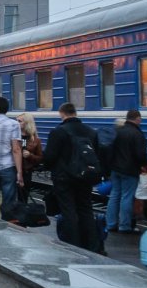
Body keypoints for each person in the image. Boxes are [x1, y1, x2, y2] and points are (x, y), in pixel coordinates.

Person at [42, 103, 102, 253]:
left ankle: (72, 245)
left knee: (68, 211)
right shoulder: (90, 132)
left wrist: (48, 166)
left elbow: (49, 157)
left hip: (64, 178)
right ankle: (92, 244)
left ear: (61, 113)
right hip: (85, 177)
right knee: (86, 209)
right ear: (75, 112)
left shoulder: (58, 132)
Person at [106, 109, 147, 234]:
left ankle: (111, 224)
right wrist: (144, 165)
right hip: (130, 170)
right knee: (127, 197)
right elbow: (140, 154)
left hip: (116, 169)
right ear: (137, 119)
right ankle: (124, 226)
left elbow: (110, 150)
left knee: (114, 196)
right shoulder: (137, 134)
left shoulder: (118, 132)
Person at [16, 112, 43, 202]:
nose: (16, 123)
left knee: (23, 198)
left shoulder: (35, 140)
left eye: (19, 121)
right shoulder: (13, 137)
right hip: (13, 171)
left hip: (27, 172)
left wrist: (30, 155)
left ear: (27, 123)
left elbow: (40, 158)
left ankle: (21, 215)